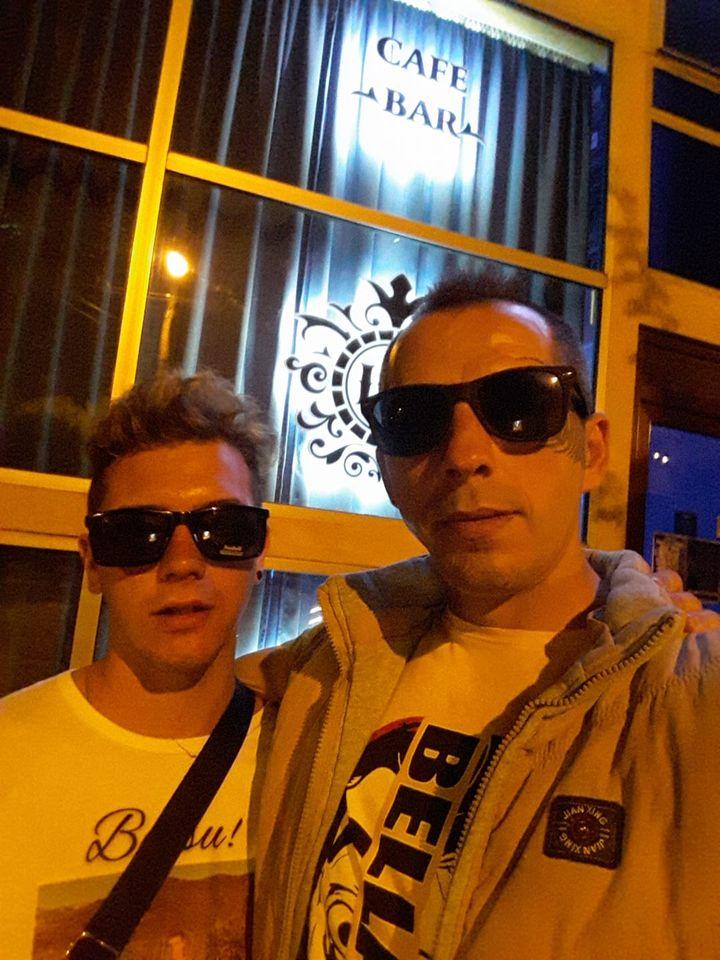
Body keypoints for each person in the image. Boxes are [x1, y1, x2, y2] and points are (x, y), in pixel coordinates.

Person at [240, 271, 720, 960]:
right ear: (385, 468)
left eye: (520, 405)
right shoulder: (321, 674)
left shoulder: (691, 706)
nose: (464, 456)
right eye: (414, 419)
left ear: (592, 450)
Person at [0, 370, 273, 959]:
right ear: (92, 562)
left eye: (222, 528)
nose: (182, 563)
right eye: (137, 533)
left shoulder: (307, 756)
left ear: (260, 553)